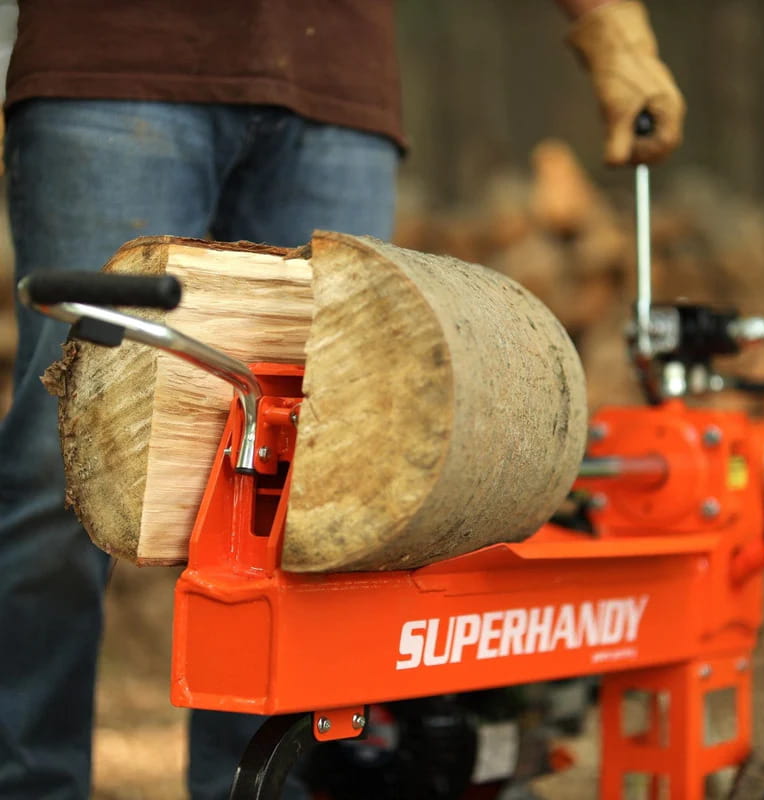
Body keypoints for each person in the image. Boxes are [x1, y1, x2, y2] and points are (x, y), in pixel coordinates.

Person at [0, 1, 684, 798]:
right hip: (115, 60)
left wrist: (612, 25)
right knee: (68, 460)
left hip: (334, 82)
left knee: (319, 476)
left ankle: (254, 786)